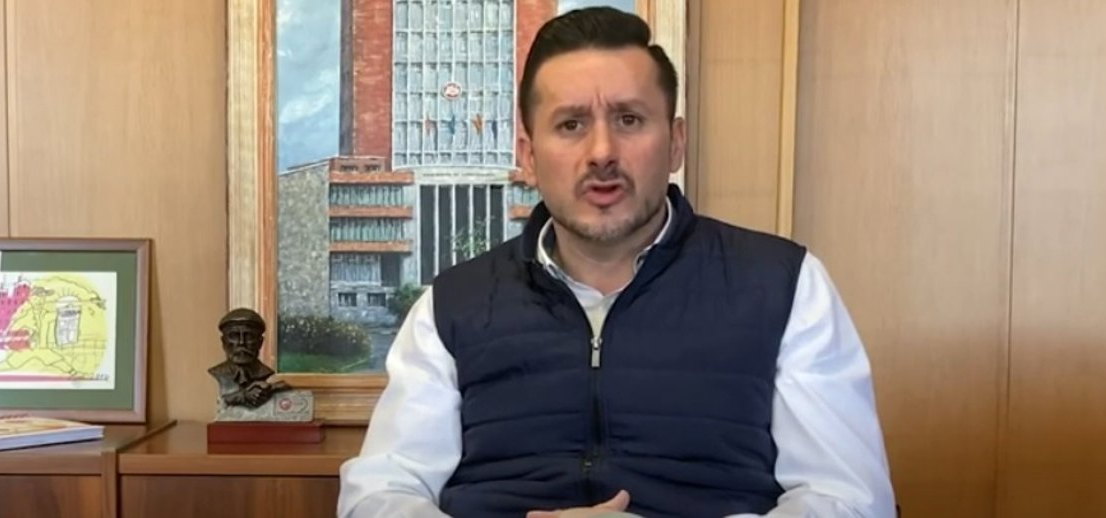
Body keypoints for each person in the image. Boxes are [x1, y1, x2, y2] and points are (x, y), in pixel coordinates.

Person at [338, 7, 894, 518]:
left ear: (675, 143)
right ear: (529, 157)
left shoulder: (782, 285)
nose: (602, 152)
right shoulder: (453, 304)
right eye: (571, 124)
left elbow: (849, 499)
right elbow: (380, 494)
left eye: (629, 119)